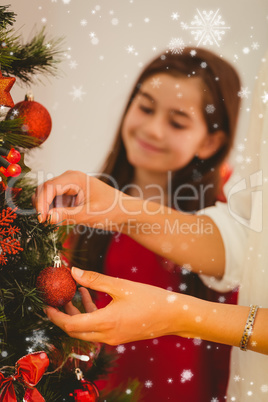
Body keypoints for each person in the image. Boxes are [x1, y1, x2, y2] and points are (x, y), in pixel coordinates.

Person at [34, 47, 243, 401]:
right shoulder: (79, 209)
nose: (151, 128)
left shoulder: (222, 233)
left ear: (211, 141)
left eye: (177, 122)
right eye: (145, 107)